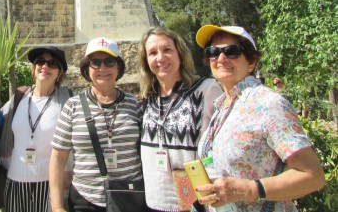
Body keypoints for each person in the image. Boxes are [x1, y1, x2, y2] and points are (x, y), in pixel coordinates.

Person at [195, 25, 325, 211]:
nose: (221, 58)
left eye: (232, 51)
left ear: (251, 62)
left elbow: (313, 176)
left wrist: (250, 189)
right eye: (213, 52)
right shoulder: (222, 106)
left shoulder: (267, 104)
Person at [49, 37, 143, 212]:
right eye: (95, 62)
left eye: (109, 61)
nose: (103, 68)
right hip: (85, 200)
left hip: (129, 198)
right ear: (86, 68)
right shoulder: (73, 106)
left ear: (119, 67)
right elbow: (57, 157)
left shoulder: (134, 105)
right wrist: (57, 207)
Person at [138, 27, 223, 212]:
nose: (160, 58)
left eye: (167, 50)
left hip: (197, 204)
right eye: (152, 53)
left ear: (180, 54)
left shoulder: (208, 91)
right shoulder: (147, 98)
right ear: (146, 61)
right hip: (154, 203)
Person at [0, 46, 72, 212]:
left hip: (49, 185)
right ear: (34, 67)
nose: (45, 66)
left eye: (52, 64)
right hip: (15, 181)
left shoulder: (67, 102)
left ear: (60, 72)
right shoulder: (19, 98)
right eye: (40, 62)